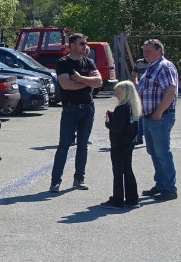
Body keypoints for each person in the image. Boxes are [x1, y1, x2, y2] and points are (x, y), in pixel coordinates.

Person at [49, 33, 103, 192]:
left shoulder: (89, 62)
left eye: (85, 43)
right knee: (64, 145)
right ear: (72, 45)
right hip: (70, 109)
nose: (85, 46)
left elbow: (99, 82)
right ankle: (55, 182)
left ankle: (79, 179)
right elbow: (66, 85)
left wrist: (79, 78)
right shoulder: (63, 62)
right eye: (82, 43)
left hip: (88, 108)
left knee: (83, 146)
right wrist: (87, 82)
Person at [135, 39, 179, 200]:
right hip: (149, 117)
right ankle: (161, 184)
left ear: (159, 51)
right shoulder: (151, 67)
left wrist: (159, 112)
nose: (145, 54)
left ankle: (170, 188)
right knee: (154, 152)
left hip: (160, 116)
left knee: (162, 152)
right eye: (144, 51)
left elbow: (171, 91)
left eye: (149, 51)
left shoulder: (164, 66)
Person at [100, 80, 142, 209]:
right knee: (128, 170)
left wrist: (108, 120)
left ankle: (117, 200)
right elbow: (126, 124)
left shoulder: (121, 108)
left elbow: (116, 127)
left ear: (124, 93)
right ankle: (132, 199)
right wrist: (115, 116)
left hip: (119, 143)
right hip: (129, 142)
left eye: (117, 92)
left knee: (118, 172)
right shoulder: (133, 107)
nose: (115, 94)